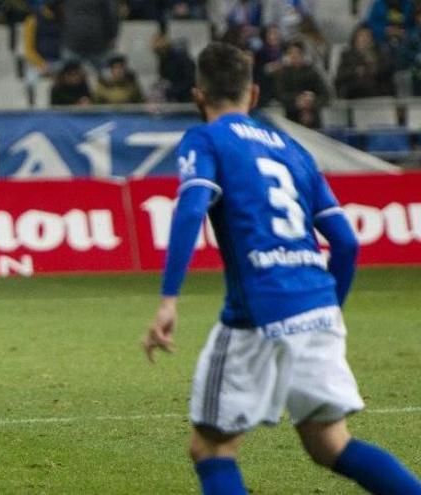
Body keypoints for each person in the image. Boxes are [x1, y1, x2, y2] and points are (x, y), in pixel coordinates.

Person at [140, 42, 421, 495]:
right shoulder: (293, 150)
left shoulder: (206, 139)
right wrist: (332, 306)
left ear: (198, 96)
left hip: (259, 310)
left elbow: (192, 208)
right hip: (316, 304)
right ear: (252, 94)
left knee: (211, 449)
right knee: (331, 443)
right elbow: (346, 243)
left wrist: (169, 300)